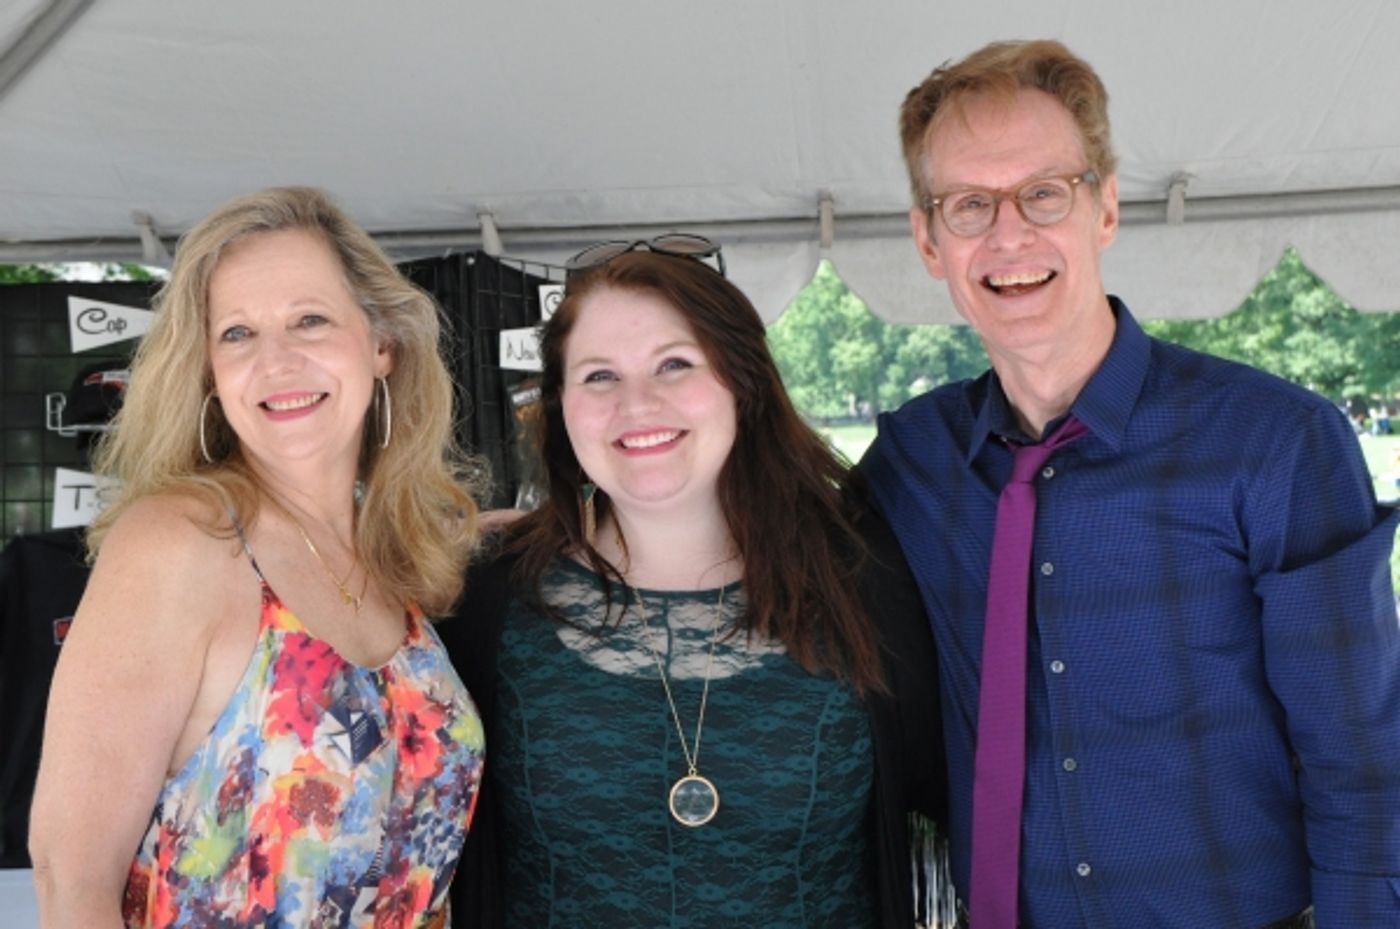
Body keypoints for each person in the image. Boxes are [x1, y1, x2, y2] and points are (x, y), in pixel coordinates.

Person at [859, 39, 1400, 929]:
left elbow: (1366, 768)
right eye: (969, 204)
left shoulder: (1276, 444)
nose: (1008, 234)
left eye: (1044, 192)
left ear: (1104, 206)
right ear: (928, 240)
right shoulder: (911, 464)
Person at [439, 238, 947, 928]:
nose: (638, 404)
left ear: (743, 382)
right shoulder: (481, 596)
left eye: (674, 364)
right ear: (559, 406)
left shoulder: (869, 581)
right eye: (599, 376)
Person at [28, 187, 487, 928]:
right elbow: (71, 881)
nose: (277, 361)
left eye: (310, 319)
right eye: (238, 333)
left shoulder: (395, 556)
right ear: (209, 371)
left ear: (381, 344)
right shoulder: (180, 543)